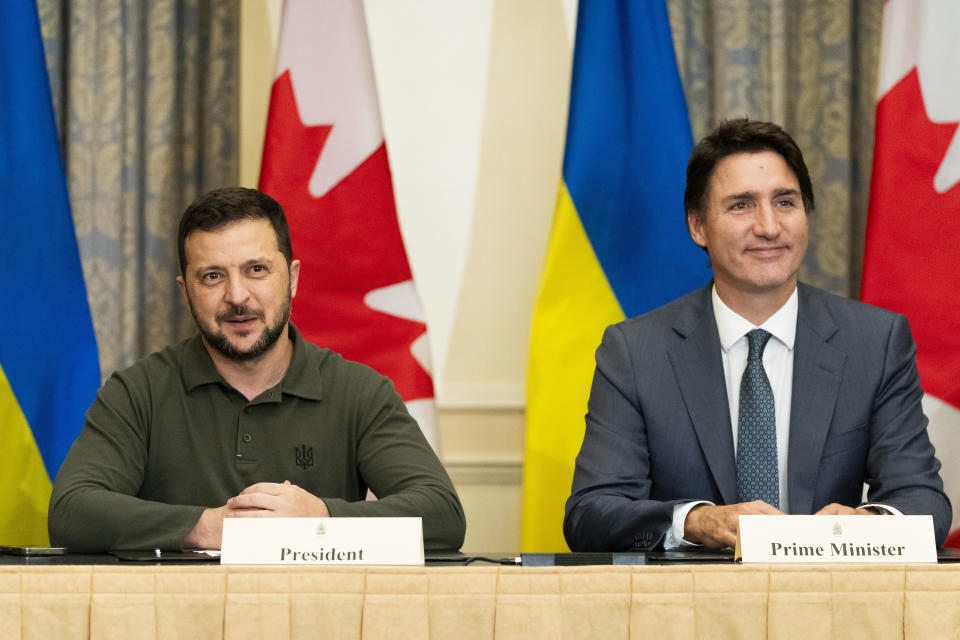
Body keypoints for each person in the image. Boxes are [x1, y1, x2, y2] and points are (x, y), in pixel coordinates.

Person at [564, 119, 951, 551]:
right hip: (688, 609)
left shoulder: (875, 342)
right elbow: (591, 514)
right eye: (741, 206)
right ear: (698, 227)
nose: (769, 227)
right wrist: (695, 521)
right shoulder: (636, 352)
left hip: (829, 605)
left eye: (785, 202)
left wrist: (869, 524)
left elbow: (924, 502)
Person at [49, 187, 465, 552]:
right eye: (212, 276)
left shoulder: (360, 392)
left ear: (293, 278)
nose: (237, 295)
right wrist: (206, 527)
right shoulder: (138, 392)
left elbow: (442, 514)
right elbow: (70, 512)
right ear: (185, 292)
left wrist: (321, 520)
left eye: (256, 270)